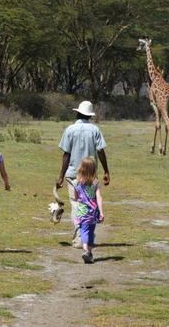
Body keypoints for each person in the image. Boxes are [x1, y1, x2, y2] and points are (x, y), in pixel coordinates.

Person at [56, 100, 110, 248]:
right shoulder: (95, 130)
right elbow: (101, 151)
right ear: (90, 116)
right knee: (90, 204)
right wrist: (106, 170)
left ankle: (80, 237)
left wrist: (61, 175)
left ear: (77, 113)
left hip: (73, 173)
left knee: (76, 204)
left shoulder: (70, 130)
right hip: (91, 175)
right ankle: (86, 235)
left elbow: (66, 154)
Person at [73, 157, 104, 263]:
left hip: (82, 212)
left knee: (84, 231)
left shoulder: (78, 182)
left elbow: (76, 197)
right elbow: (99, 197)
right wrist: (101, 212)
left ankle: (86, 250)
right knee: (91, 231)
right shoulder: (95, 182)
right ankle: (89, 253)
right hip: (93, 212)